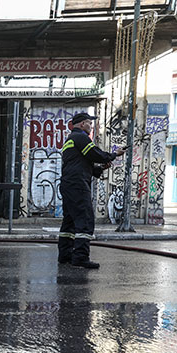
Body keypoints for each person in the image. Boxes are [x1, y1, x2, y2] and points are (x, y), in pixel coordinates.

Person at [58, 112, 126, 269]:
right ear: (82, 124)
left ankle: (65, 255)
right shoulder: (81, 138)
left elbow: (82, 165)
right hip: (78, 185)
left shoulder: (69, 140)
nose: (91, 126)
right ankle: (81, 257)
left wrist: (100, 168)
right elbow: (95, 153)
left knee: (69, 221)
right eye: (89, 123)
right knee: (85, 219)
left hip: (68, 185)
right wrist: (113, 155)